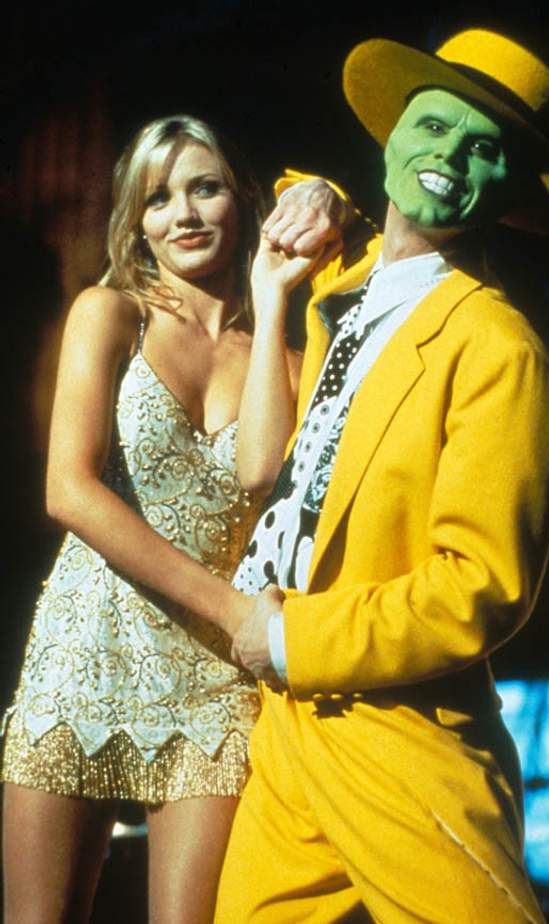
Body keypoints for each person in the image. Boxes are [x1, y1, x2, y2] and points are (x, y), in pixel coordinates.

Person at [216, 29, 549, 923]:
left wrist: (293, 641)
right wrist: (320, 192)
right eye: (434, 127)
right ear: (389, 137)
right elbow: (316, 209)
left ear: (510, 191)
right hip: (287, 734)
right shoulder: (346, 282)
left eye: (485, 150)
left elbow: (480, 587)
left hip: (404, 736)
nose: (450, 158)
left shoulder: (498, 347)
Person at [0, 114, 330, 924]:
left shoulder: (291, 360)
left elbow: (259, 472)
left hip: (211, 684)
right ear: (136, 221)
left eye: (204, 189)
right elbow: (68, 492)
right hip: (86, 650)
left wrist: (270, 300)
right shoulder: (111, 313)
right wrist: (234, 611)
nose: (182, 214)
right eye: (158, 198)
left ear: (241, 200)